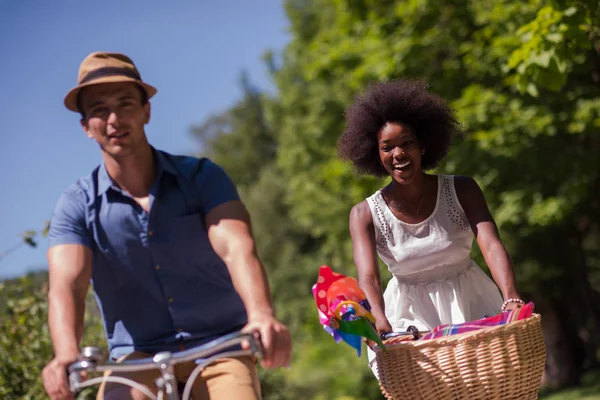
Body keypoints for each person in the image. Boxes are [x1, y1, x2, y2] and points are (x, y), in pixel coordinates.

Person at [41, 51, 292, 400]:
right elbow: (67, 285)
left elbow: (236, 247)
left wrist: (261, 314)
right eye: (99, 110)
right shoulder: (77, 205)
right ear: (86, 126)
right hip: (135, 358)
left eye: (126, 103)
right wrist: (66, 354)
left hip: (219, 346)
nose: (114, 118)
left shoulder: (203, 178)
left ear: (147, 111)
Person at [337, 79, 523, 377]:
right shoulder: (363, 214)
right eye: (387, 147)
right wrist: (378, 318)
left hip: (472, 301)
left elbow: (490, 244)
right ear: (377, 154)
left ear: (423, 145)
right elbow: (368, 276)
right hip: (409, 317)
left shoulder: (462, 189)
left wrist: (511, 296)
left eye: (406, 143)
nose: (398, 153)